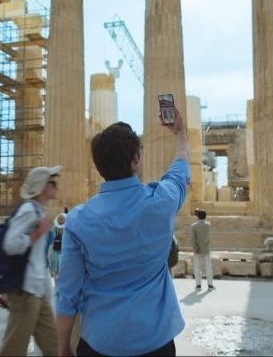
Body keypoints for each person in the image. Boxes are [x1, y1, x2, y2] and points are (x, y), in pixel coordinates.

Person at [55, 108, 190, 357]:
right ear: (136, 160)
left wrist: (63, 347)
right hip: (156, 343)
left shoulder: (77, 220)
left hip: (101, 343)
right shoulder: (163, 201)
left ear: (98, 167)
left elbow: (67, 292)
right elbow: (180, 168)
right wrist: (180, 133)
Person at [0, 165, 61, 356]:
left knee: (55, 348)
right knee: (14, 350)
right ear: (42, 186)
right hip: (26, 293)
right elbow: (9, 245)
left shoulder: (40, 211)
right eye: (53, 183)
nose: (57, 187)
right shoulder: (28, 209)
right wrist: (36, 234)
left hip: (39, 292)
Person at [191, 208, 214, 291]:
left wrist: (195, 248)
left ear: (197, 216)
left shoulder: (194, 226)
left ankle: (198, 285)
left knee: (197, 268)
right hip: (206, 249)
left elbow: (193, 239)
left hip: (197, 249)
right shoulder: (208, 225)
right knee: (208, 267)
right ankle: (210, 285)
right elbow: (205, 220)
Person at [49, 208, 68, 278]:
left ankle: (55, 285)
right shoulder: (66, 230)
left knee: (55, 270)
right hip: (63, 251)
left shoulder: (54, 229)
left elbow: (52, 239)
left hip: (55, 251)